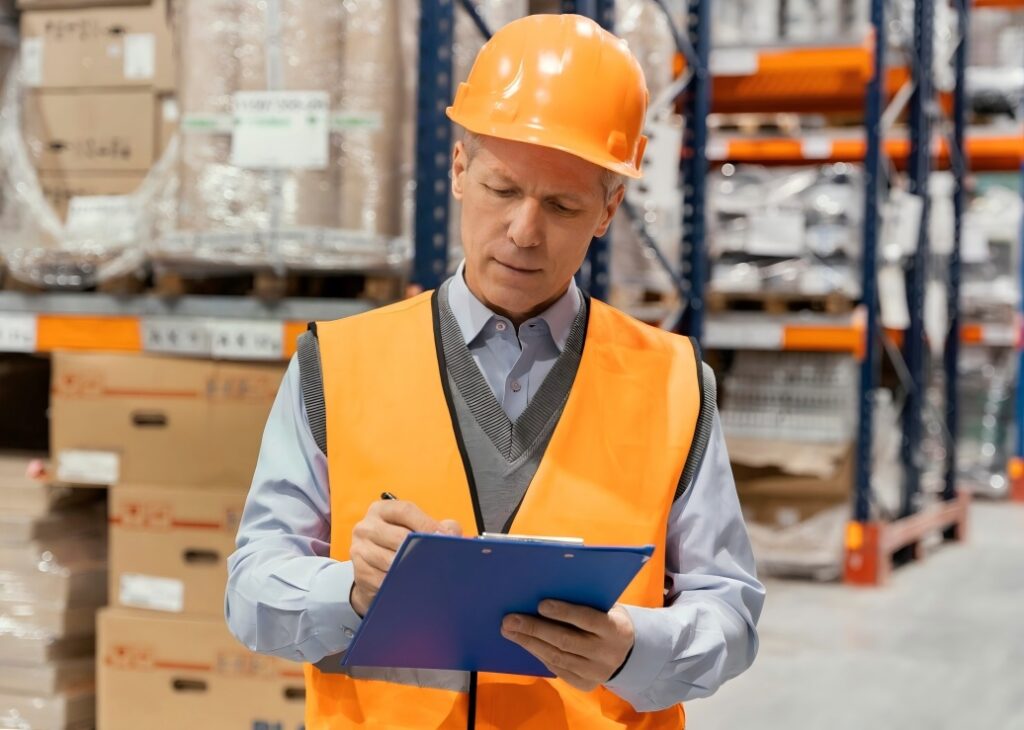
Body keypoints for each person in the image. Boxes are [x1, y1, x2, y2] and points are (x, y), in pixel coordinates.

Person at [226, 13, 764, 729]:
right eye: (503, 190)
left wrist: (634, 648)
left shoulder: (673, 383)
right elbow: (249, 594)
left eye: (563, 205)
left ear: (608, 210)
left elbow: (731, 611)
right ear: (458, 170)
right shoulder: (339, 363)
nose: (523, 231)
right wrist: (353, 590)